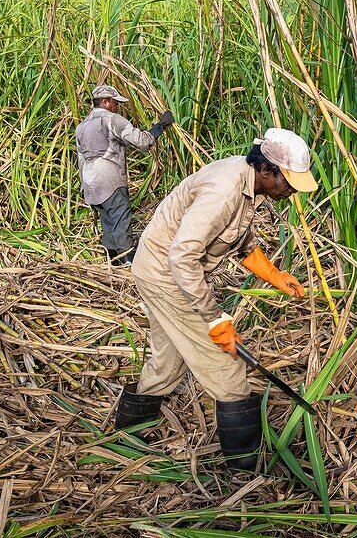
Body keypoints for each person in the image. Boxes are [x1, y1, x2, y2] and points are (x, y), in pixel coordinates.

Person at [113, 128, 317, 470]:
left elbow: (238, 238)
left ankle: (125, 436)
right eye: (289, 182)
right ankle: (244, 471)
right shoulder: (224, 191)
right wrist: (215, 319)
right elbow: (182, 256)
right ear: (267, 171)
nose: (293, 190)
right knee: (229, 373)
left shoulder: (248, 183)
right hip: (167, 274)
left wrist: (273, 274)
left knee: (169, 363)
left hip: (165, 270)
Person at [75, 84, 174, 265]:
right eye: (114, 103)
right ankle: (127, 261)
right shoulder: (112, 120)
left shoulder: (81, 127)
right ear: (105, 102)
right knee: (121, 216)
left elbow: (81, 159)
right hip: (109, 177)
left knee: (108, 221)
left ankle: (113, 262)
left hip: (90, 180)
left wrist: (84, 186)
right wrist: (160, 126)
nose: (116, 106)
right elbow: (142, 142)